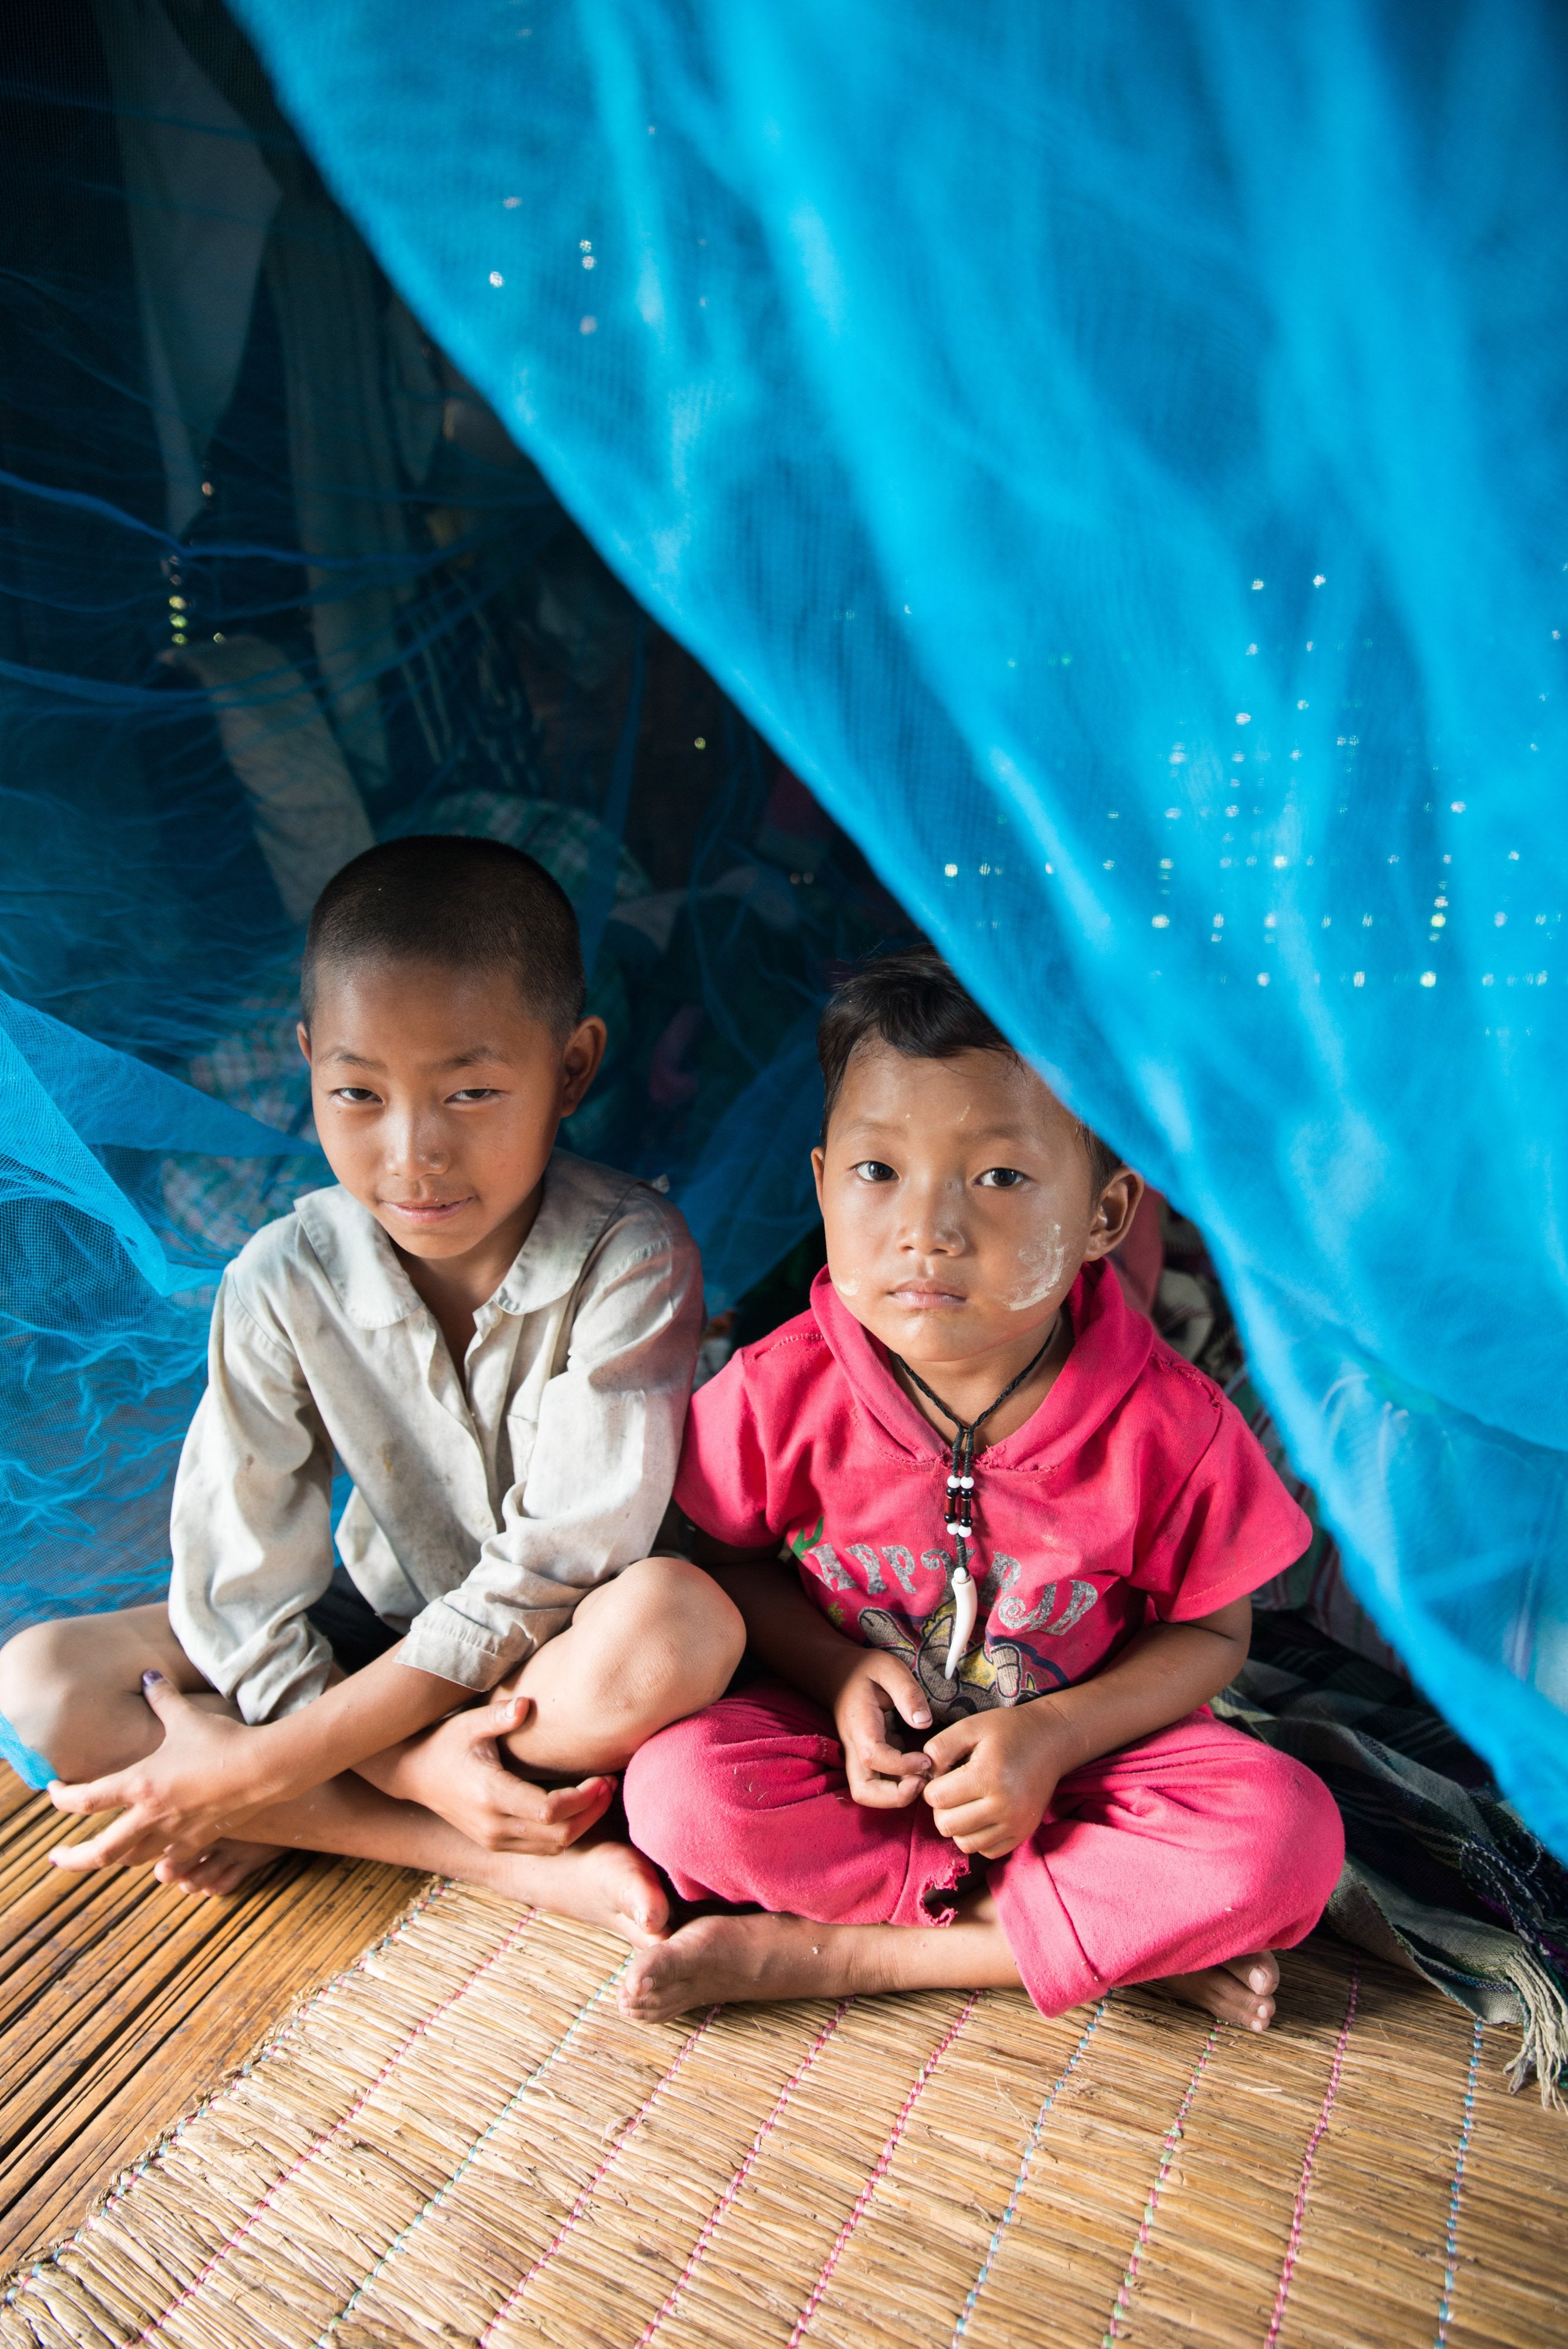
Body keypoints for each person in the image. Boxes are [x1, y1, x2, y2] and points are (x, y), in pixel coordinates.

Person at [0, 836, 743, 1946]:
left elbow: (555, 1569)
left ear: (574, 1068)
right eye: (357, 1092)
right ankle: (476, 1845)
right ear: (307, 1064)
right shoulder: (279, 1276)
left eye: (474, 1091)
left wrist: (264, 1764)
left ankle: (304, 1804)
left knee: (674, 1629)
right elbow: (240, 1588)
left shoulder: (630, 1254)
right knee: (43, 1681)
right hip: (380, 1634)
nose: (415, 1154)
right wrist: (406, 1769)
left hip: (560, 1662)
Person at [618, 948, 1344, 2024]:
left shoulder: (1173, 1425)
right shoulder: (775, 1392)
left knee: (1288, 1840)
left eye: (999, 1177)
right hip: (859, 1772)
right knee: (679, 1795)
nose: (929, 1228)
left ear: (1104, 1217)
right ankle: (1088, 1937)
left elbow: (1211, 1640)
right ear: (820, 1182)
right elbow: (722, 1566)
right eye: (877, 1173)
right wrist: (832, 1672)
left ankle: (839, 1958)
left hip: (1085, 1769)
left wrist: (1051, 1740)